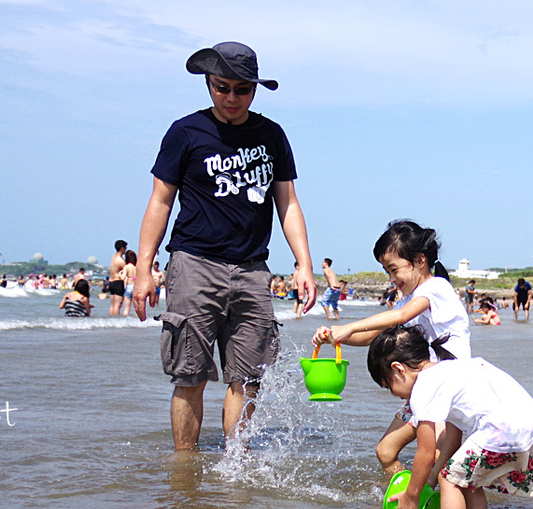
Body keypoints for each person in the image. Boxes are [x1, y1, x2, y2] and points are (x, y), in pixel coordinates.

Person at [133, 41, 316, 450]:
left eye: (241, 89)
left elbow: (287, 202)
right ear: (208, 84)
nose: (231, 98)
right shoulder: (185, 132)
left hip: (253, 270)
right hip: (194, 264)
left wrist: (303, 264)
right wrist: (144, 268)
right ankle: (185, 472)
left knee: (248, 378)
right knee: (190, 375)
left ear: (254, 90)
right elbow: (160, 201)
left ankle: (237, 467)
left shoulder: (271, 135)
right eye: (221, 87)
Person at [313, 220, 471, 473]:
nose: (391, 278)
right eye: (387, 271)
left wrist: (349, 326)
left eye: (394, 269)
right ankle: (406, 497)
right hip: (423, 391)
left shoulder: (436, 287)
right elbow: (371, 335)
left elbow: (400, 316)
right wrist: (336, 336)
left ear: (420, 261)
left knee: (439, 459)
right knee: (385, 451)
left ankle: (435, 503)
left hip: (448, 390)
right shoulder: (409, 298)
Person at [367, 325, 533, 509]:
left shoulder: (423, 387)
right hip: (529, 426)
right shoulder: (451, 368)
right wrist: (428, 481)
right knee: (467, 480)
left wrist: (412, 496)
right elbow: (453, 438)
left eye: (389, 386)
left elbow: (425, 453)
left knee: (449, 480)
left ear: (398, 369)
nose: (394, 394)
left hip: (500, 430)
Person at [107, 239, 129, 315]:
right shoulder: (121, 261)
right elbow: (126, 271)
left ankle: (110, 320)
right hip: (118, 282)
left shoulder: (113, 257)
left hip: (111, 281)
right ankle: (116, 320)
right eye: (125, 247)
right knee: (117, 305)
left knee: (112, 305)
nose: (126, 249)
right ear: (122, 248)